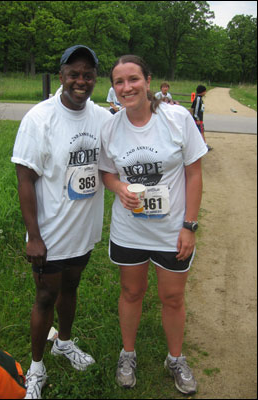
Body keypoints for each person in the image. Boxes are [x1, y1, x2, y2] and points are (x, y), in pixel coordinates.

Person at [99, 55, 208, 395]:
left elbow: (194, 172)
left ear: (148, 81)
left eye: (133, 79)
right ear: (114, 89)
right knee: (132, 292)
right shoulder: (110, 126)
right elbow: (107, 172)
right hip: (130, 230)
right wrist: (118, 189)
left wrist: (189, 225)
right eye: (119, 82)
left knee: (172, 297)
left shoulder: (177, 118)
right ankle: (127, 354)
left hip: (172, 230)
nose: (126, 87)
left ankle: (175, 358)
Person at [11, 45, 112, 399]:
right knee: (44, 296)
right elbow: (25, 179)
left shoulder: (101, 117)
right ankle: (36, 368)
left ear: (95, 78)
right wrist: (33, 237)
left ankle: (64, 343)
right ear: (61, 76)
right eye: (74, 74)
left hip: (82, 230)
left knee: (71, 289)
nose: (81, 81)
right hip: (50, 233)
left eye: (87, 74)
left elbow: (133, 123)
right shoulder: (39, 119)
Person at [191, 85, 212, 151]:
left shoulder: (199, 98)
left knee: (200, 131)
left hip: (199, 119)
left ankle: (202, 144)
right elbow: (196, 109)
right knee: (201, 132)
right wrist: (197, 118)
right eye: (205, 91)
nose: (205, 92)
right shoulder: (198, 99)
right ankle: (204, 145)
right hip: (198, 119)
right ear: (202, 91)